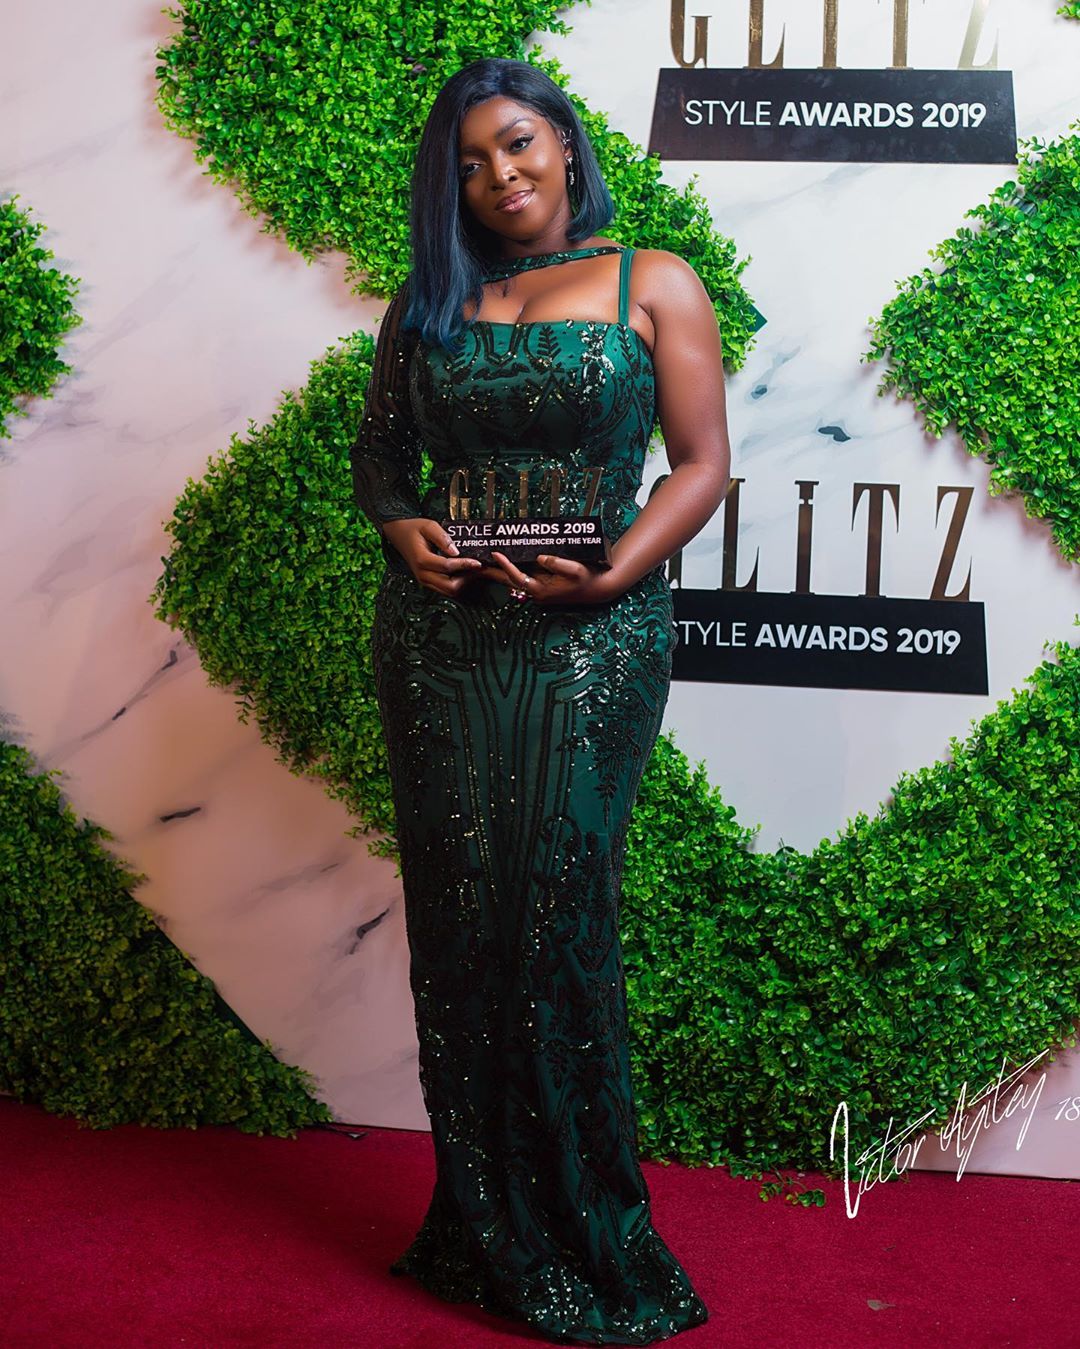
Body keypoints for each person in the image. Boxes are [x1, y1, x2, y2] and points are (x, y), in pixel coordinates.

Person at [350, 55, 730, 1346]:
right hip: (441, 644)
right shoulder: (427, 303)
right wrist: (402, 527)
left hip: (595, 638)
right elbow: (381, 459)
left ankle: (589, 1234)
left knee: (558, 910)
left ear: (565, 144)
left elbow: (702, 463)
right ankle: (481, 1229)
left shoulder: (652, 280)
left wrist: (616, 569)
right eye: (469, 163)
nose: (499, 174)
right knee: (461, 921)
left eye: (517, 143)